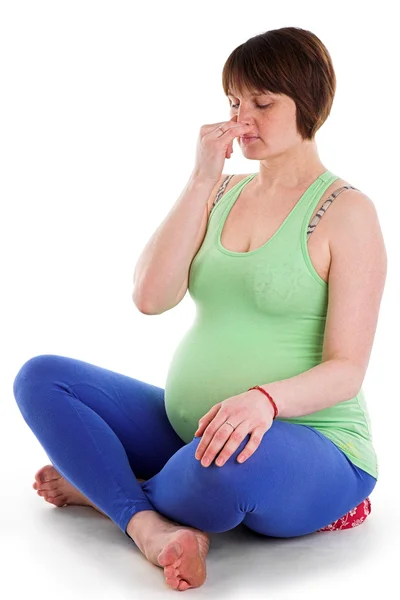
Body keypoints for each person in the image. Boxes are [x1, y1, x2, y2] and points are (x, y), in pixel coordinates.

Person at [12, 26, 387, 592]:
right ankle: (148, 524)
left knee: (220, 471)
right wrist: (201, 178)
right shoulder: (220, 193)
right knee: (42, 378)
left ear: (309, 103)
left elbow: (347, 369)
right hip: (195, 432)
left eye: (262, 103)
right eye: (235, 102)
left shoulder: (347, 212)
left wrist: (264, 401)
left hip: (308, 441)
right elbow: (150, 297)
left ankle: (108, 487)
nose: (243, 119)